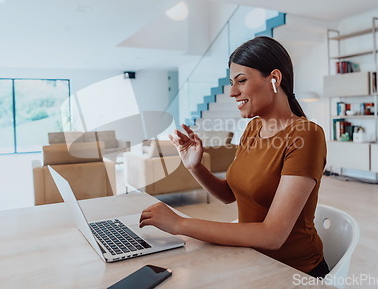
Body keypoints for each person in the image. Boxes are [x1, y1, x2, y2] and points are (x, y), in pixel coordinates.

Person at [139, 36, 329, 278]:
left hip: (294, 272)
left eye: (241, 81)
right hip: (250, 258)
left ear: (274, 79)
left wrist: (180, 224)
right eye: (231, 82)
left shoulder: (306, 135)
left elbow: (273, 236)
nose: (231, 92)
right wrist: (195, 167)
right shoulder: (252, 129)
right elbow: (230, 194)